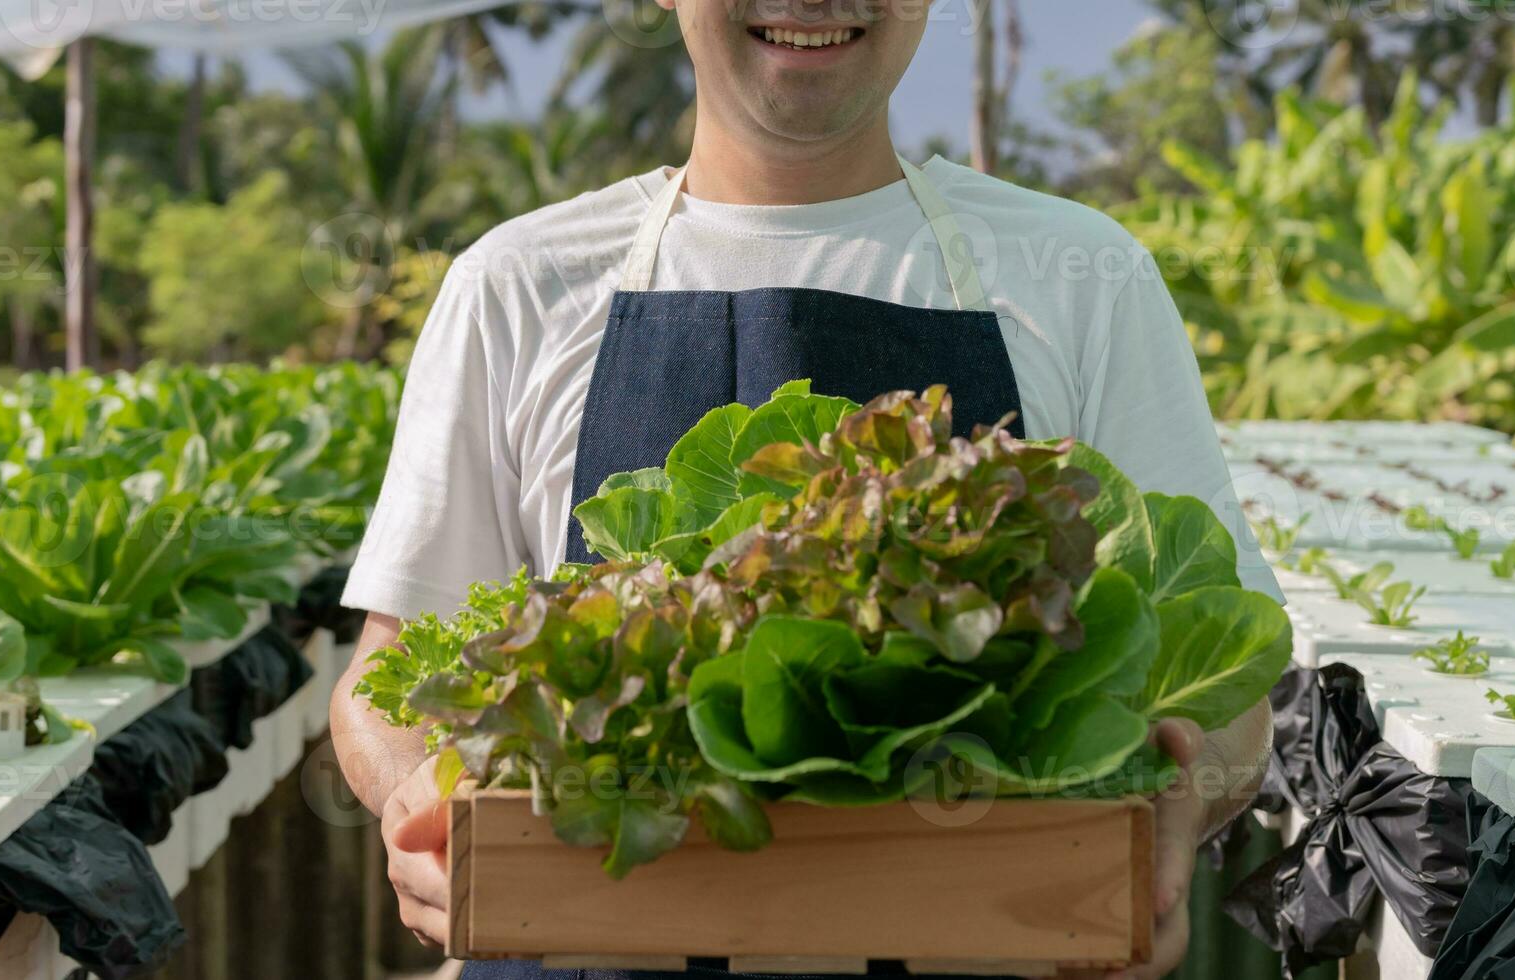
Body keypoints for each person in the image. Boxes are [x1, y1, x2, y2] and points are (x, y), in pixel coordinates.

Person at [330, 2, 1284, 977]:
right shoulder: (515, 284)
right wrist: (420, 795)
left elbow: (1231, 668)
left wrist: (1172, 815)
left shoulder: (1083, 279)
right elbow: (392, 662)